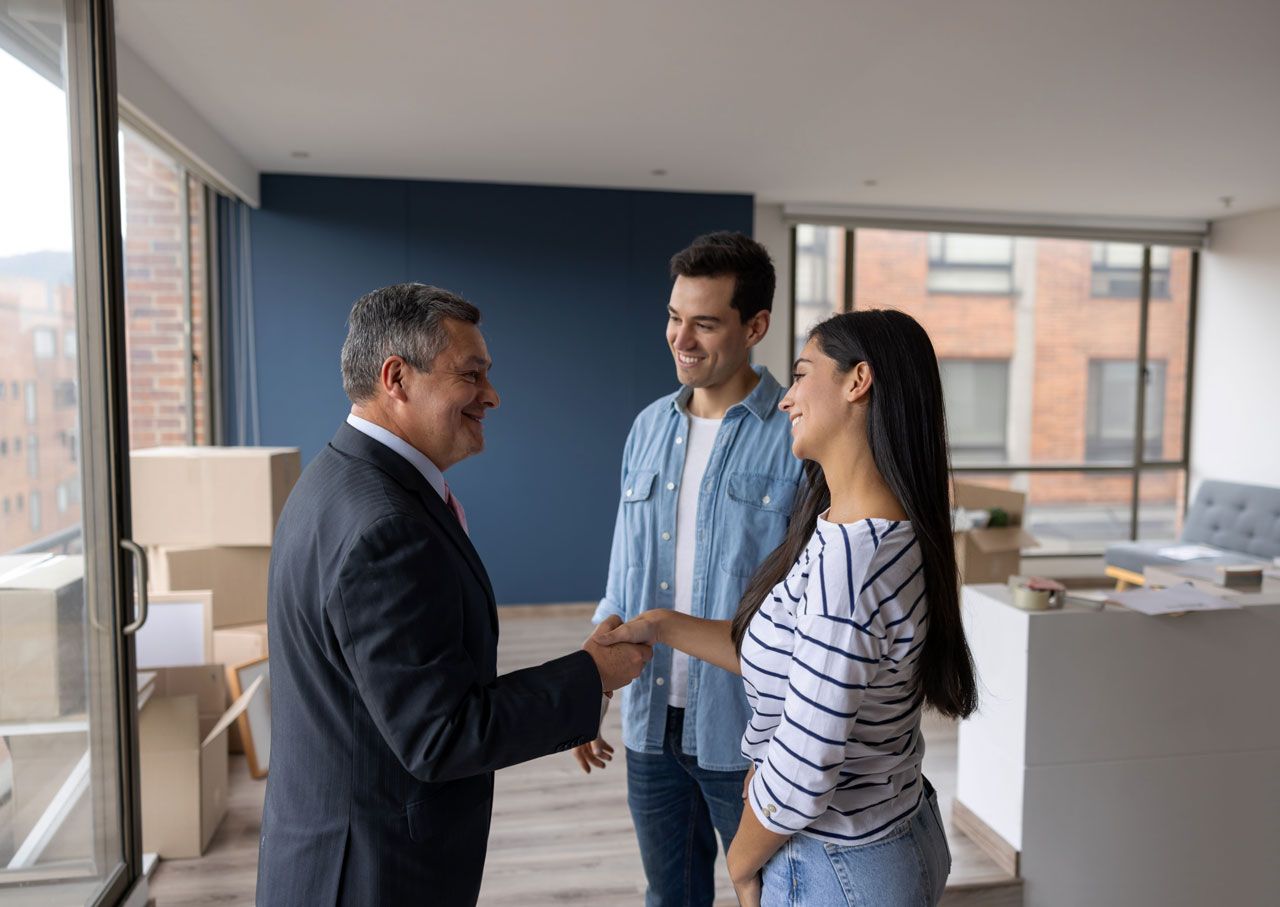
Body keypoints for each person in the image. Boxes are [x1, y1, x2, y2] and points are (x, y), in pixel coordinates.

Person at [256, 283, 652, 906]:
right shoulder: (388, 527)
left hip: (331, 849)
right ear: (397, 378)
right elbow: (439, 735)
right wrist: (592, 674)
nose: (492, 395)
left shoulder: (334, 478)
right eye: (471, 375)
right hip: (371, 874)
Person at [597, 309, 978, 907]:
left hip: (836, 863)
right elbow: (801, 664)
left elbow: (801, 771)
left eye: (802, 375)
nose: (787, 399)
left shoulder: (850, 565)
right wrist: (661, 624)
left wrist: (743, 863)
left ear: (859, 381)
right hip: (892, 832)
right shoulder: (867, 531)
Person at [578, 232, 804, 907]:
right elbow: (624, 572)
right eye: (675, 317)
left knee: (773, 894)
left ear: (755, 325)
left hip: (748, 730)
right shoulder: (647, 426)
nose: (682, 337)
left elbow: (803, 602)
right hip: (651, 725)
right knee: (667, 896)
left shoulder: (796, 436)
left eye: (705, 322)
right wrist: (592, 679)